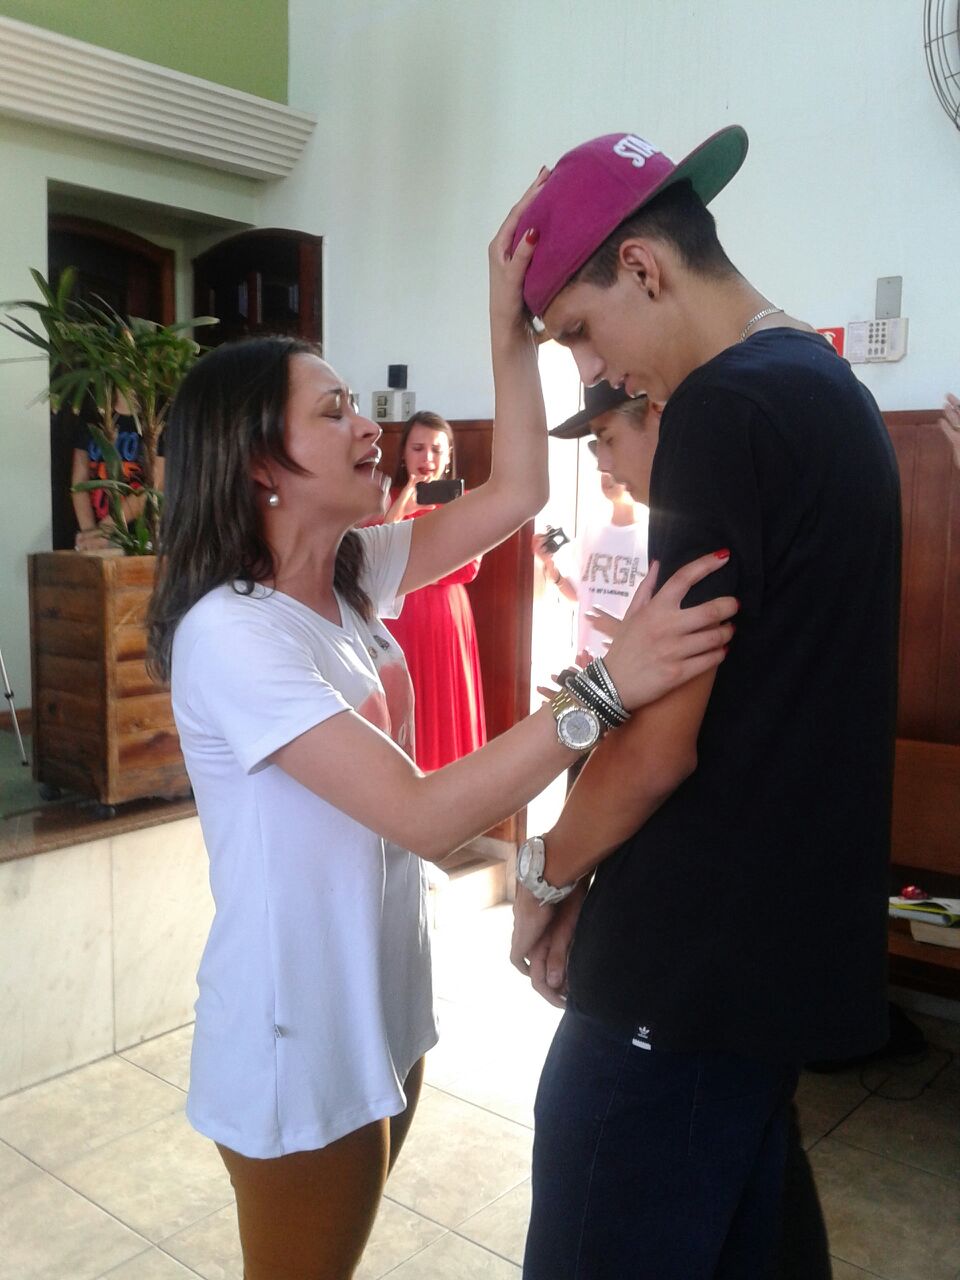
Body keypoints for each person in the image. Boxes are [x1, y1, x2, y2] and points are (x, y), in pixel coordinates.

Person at [144, 173, 738, 1280]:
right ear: (260, 465)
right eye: (333, 412)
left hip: (379, 989)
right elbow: (420, 814)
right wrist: (608, 688)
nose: (369, 425)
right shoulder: (232, 632)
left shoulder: (352, 570)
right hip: (294, 1028)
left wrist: (506, 320)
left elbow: (517, 490)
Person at [505, 127, 901, 1279]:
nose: (598, 373)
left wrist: (545, 875)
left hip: (681, 970)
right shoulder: (828, 387)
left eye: (580, 333)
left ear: (642, 265)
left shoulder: (723, 409)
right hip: (768, 963)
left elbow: (661, 744)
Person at [381, 411, 486, 769]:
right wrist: (403, 508)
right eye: (418, 448)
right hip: (397, 620)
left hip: (445, 620)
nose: (427, 458)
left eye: (436, 450)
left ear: (449, 455)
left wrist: (406, 562)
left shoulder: (464, 501)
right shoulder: (384, 499)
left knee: (444, 702)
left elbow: (468, 566)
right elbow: (373, 558)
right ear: (403, 454)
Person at [533, 382, 658, 660]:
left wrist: (626, 639)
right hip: (592, 663)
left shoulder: (655, 533)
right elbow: (579, 593)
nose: (603, 466)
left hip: (632, 664)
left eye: (609, 440)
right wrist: (550, 568)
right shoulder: (592, 530)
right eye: (596, 445)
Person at [71, 395, 164, 551]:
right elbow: (79, 483)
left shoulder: (159, 419)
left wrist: (106, 528)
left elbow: (155, 484)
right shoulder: (93, 416)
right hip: (96, 536)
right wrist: (90, 533)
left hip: (142, 538)